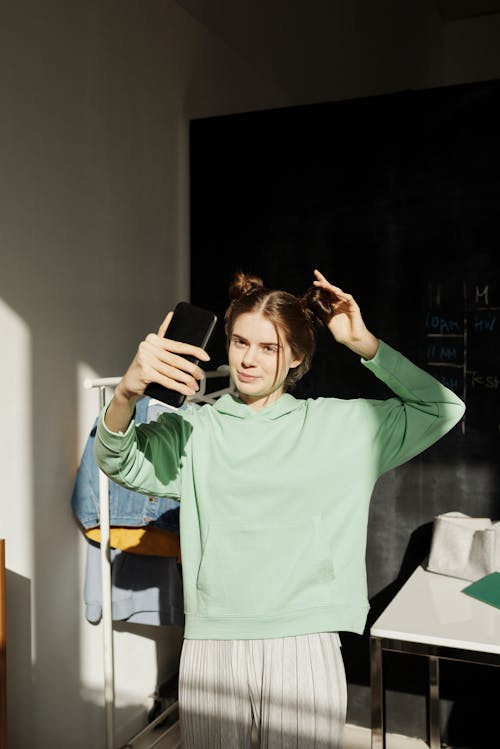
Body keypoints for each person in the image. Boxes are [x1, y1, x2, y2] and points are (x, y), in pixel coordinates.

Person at [94, 269, 465, 748]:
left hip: (306, 642)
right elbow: (116, 456)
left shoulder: (340, 426)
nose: (248, 359)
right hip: (214, 646)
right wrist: (126, 392)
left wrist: (364, 343)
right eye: (239, 342)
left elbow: (443, 409)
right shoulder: (194, 431)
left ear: (296, 357)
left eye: (268, 348)